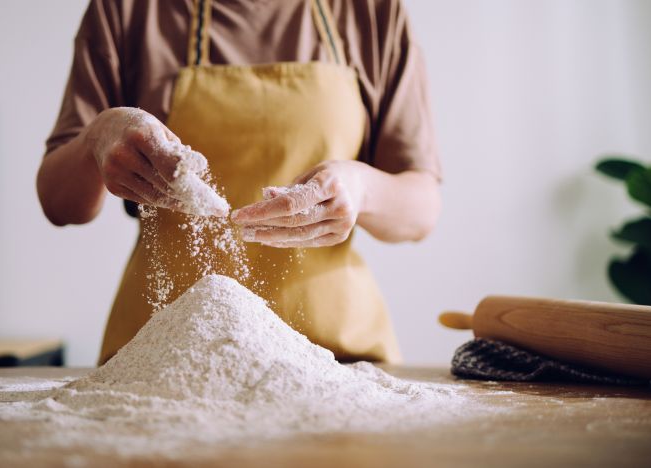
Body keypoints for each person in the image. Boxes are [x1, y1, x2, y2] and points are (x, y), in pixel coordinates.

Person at [37, 0, 442, 365]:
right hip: (163, 361)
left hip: (336, 360)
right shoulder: (127, 10)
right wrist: (99, 136)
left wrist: (360, 189)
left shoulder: (370, 11)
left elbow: (421, 208)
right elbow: (59, 205)